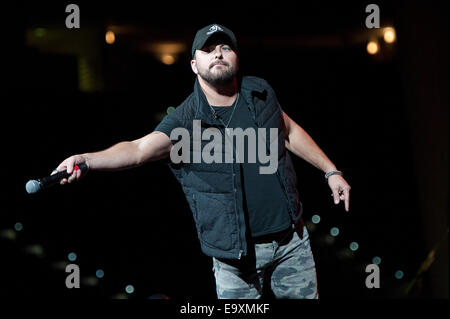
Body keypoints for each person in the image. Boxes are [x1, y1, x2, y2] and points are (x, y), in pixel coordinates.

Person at [54, 23, 351, 299]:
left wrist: (330, 171)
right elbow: (138, 149)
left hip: (292, 244)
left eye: (225, 48)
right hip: (235, 260)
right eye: (208, 50)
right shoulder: (185, 120)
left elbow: (289, 131)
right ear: (194, 65)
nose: (218, 54)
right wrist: (86, 159)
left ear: (236, 58)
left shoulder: (260, 92)